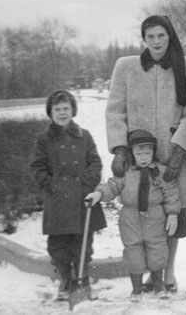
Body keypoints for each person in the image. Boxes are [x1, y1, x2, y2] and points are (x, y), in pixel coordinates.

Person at [106, 15, 186, 293]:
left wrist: (180, 151)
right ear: (144, 39)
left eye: (161, 35)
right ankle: (147, 275)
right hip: (139, 157)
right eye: (151, 37)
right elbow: (115, 110)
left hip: (173, 158)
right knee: (141, 217)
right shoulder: (127, 67)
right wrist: (120, 149)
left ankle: (167, 274)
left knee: (173, 215)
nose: (157, 42)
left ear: (169, 36)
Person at [85, 129, 180, 302]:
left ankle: (159, 286)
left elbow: (171, 192)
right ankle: (136, 289)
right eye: (139, 153)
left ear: (153, 152)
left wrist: (173, 214)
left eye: (148, 153)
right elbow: (112, 186)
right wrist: (98, 194)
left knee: (157, 249)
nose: (144, 157)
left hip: (155, 216)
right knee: (133, 251)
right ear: (132, 153)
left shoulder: (161, 172)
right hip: (130, 217)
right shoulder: (126, 172)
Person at [30, 89, 106, 301]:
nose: (62, 113)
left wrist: (87, 184)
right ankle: (66, 280)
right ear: (50, 112)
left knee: (83, 245)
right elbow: (37, 167)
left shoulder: (85, 136)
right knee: (58, 247)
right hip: (58, 201)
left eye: (66, 108)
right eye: (57, 109)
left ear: (73, 110)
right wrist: (52, 186)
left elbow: (95, 163)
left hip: (82, 200)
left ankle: (82, 280)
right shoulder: (43, 139)